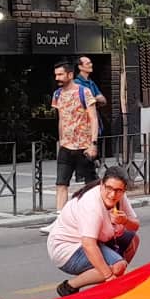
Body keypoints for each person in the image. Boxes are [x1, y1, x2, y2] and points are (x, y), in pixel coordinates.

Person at [49, 168, 141, 296]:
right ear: (101, 185)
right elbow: (88, 244)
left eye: (118, 190)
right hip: (69, 249)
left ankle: (112, 278)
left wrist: (125, 221)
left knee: (133, 239)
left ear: (123, 190)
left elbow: (135, 226)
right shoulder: (91, 205)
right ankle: (69, 286)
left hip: (97, 241)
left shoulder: (120, 197)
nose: (112, 195)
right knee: (118, 266)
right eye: (108, 188)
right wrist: (109, 277)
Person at [50, 59, 100, 213]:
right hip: (66, 145)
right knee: (61, 183)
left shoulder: (83, 92)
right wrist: (60, 141)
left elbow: (93, 118)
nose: (57, 78)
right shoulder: (57, 94)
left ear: (70, 74)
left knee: (90, 184)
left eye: (60, 74)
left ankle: (94, 213)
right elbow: (61, 120)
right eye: (56, 75)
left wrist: (93, 143)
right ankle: (60, 219)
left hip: (84, 146)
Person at [76, 54, 108, 153]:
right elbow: (80, 102)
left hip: (94, 121)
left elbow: (103, 100)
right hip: (83, 124)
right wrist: (95, 98)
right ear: (80, 67)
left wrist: (91, 99)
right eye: (88, 63)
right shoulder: (76, 83)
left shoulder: (91, 83)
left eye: (90, 62)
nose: (91, 64)